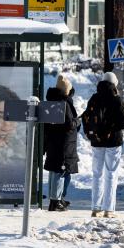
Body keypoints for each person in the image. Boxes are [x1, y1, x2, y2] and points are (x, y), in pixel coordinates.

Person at [84, 71, 124, 218]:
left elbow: (86, 118)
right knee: (111, 174)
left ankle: (95, 208)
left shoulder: (94, 98)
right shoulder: (117, 100)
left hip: (97, 141)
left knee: (97, 174)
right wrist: (112, 128)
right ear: (114, 84)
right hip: (113, 141)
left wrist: (90, 134)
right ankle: (109, 210)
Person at [43, 74, 79, 211]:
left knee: (55, 171)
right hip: (64, 143)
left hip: (53, 142)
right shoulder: (64, 104)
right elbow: (69, 124)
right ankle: (55, 201)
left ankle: (57, 198)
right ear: (67, 91)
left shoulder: (51, 102)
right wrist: (78, 121)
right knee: (61, 171)